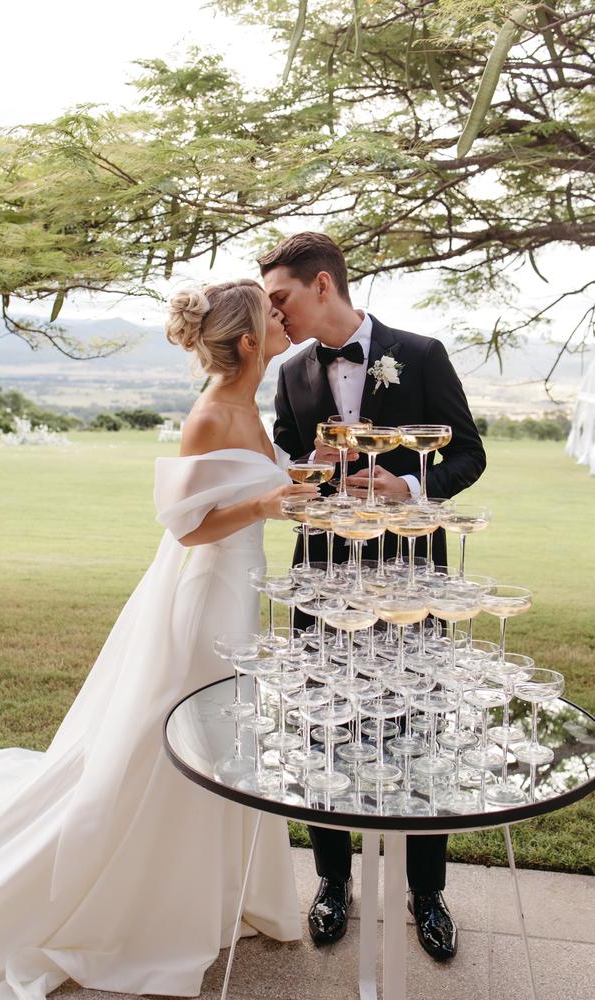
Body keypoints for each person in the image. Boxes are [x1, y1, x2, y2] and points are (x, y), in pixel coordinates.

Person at [0, 279, 316, 999]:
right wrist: (268, 502)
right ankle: (151, 902)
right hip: (205, 594)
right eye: (273, 316)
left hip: (241, 592)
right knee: (186, 735)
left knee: (230, 734)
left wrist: (298, 480)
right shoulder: (210, 414)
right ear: (247, 342)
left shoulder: (249, 403)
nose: (284, 320)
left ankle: (219, 893)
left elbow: (248, 488)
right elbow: (186, 525)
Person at [260, 232, 487, 963]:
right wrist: (312, 472)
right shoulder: (292, 372)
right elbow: (292, 461)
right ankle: (332, 880)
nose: (275, 314)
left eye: (282, 298)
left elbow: (469, 452)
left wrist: (411, 488)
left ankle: (428, 891)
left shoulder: (419, 353)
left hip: (411, 572)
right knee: (322, 721)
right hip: (322, 574)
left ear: (323, 285)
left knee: (418, 722)